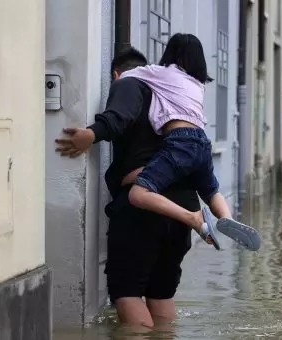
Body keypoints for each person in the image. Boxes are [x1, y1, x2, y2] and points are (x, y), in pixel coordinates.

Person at [58, 33, 261, 252]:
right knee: (211, 192)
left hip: (180, 142)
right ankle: (227, 218)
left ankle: (193, 218)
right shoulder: (197, 85)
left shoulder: (161, 73)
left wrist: (93, 131)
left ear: (171, 54)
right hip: (202, 143)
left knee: (137, 194)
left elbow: (128, 75)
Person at [56, 46, 200, 327]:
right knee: (161, 293)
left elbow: (120, 115)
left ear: (116, 74)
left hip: (144, 207)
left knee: (127, 292)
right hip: (184, 206)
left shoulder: (129, 82)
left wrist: (91, 134)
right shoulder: (172, 95)